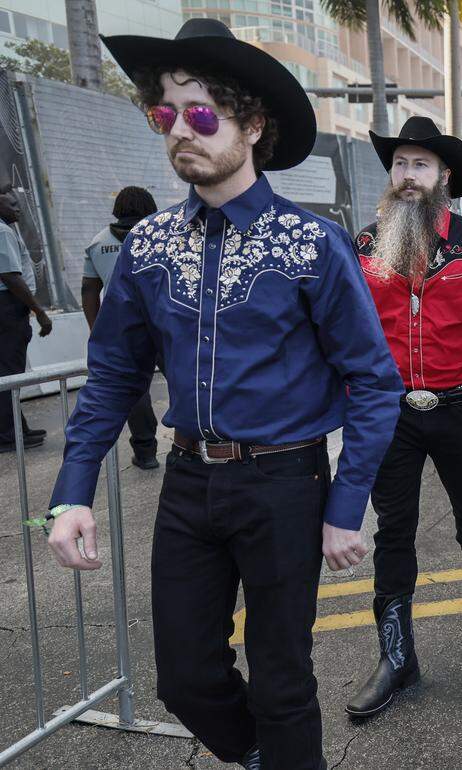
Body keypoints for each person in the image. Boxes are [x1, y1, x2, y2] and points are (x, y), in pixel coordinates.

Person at [44, 19, 405, 770]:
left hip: (285, 482)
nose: (182, 131)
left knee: (281, 680)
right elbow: (113, 373)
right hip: (187, 483)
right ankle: (262, 757)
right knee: (184, 678)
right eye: (165, 114)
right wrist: (71, 491)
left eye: (203, 113)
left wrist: (346, 506)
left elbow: (373, 380)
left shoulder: (311, 243)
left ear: (252, 124)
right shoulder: (147, 246)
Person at [346, 117, 462, 717]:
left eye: (420, 165)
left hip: (457, 406)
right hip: (390, 412)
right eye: (400, 164)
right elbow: (350, 332)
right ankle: (397, 656)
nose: (407, 176)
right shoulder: (367, 245)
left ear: (443, 176)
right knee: (393, 527)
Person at [80, 186, 161, 469]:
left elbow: (89, 290)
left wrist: (97, 329)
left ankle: (146, 451)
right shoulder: (160, 235)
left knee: (135, 390)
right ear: (149, 206)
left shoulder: (98, 242)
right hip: (165, 322)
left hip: (123, 327)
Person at [0, 186, 52, 452]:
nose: (17, 208)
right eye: (12, 204)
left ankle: (17, 429)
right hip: (7, 307)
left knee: (7, 371)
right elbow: (9, 276)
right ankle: (9, 435)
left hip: (7, 307)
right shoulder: (2, 231)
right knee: (9, 373)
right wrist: (39, 311)